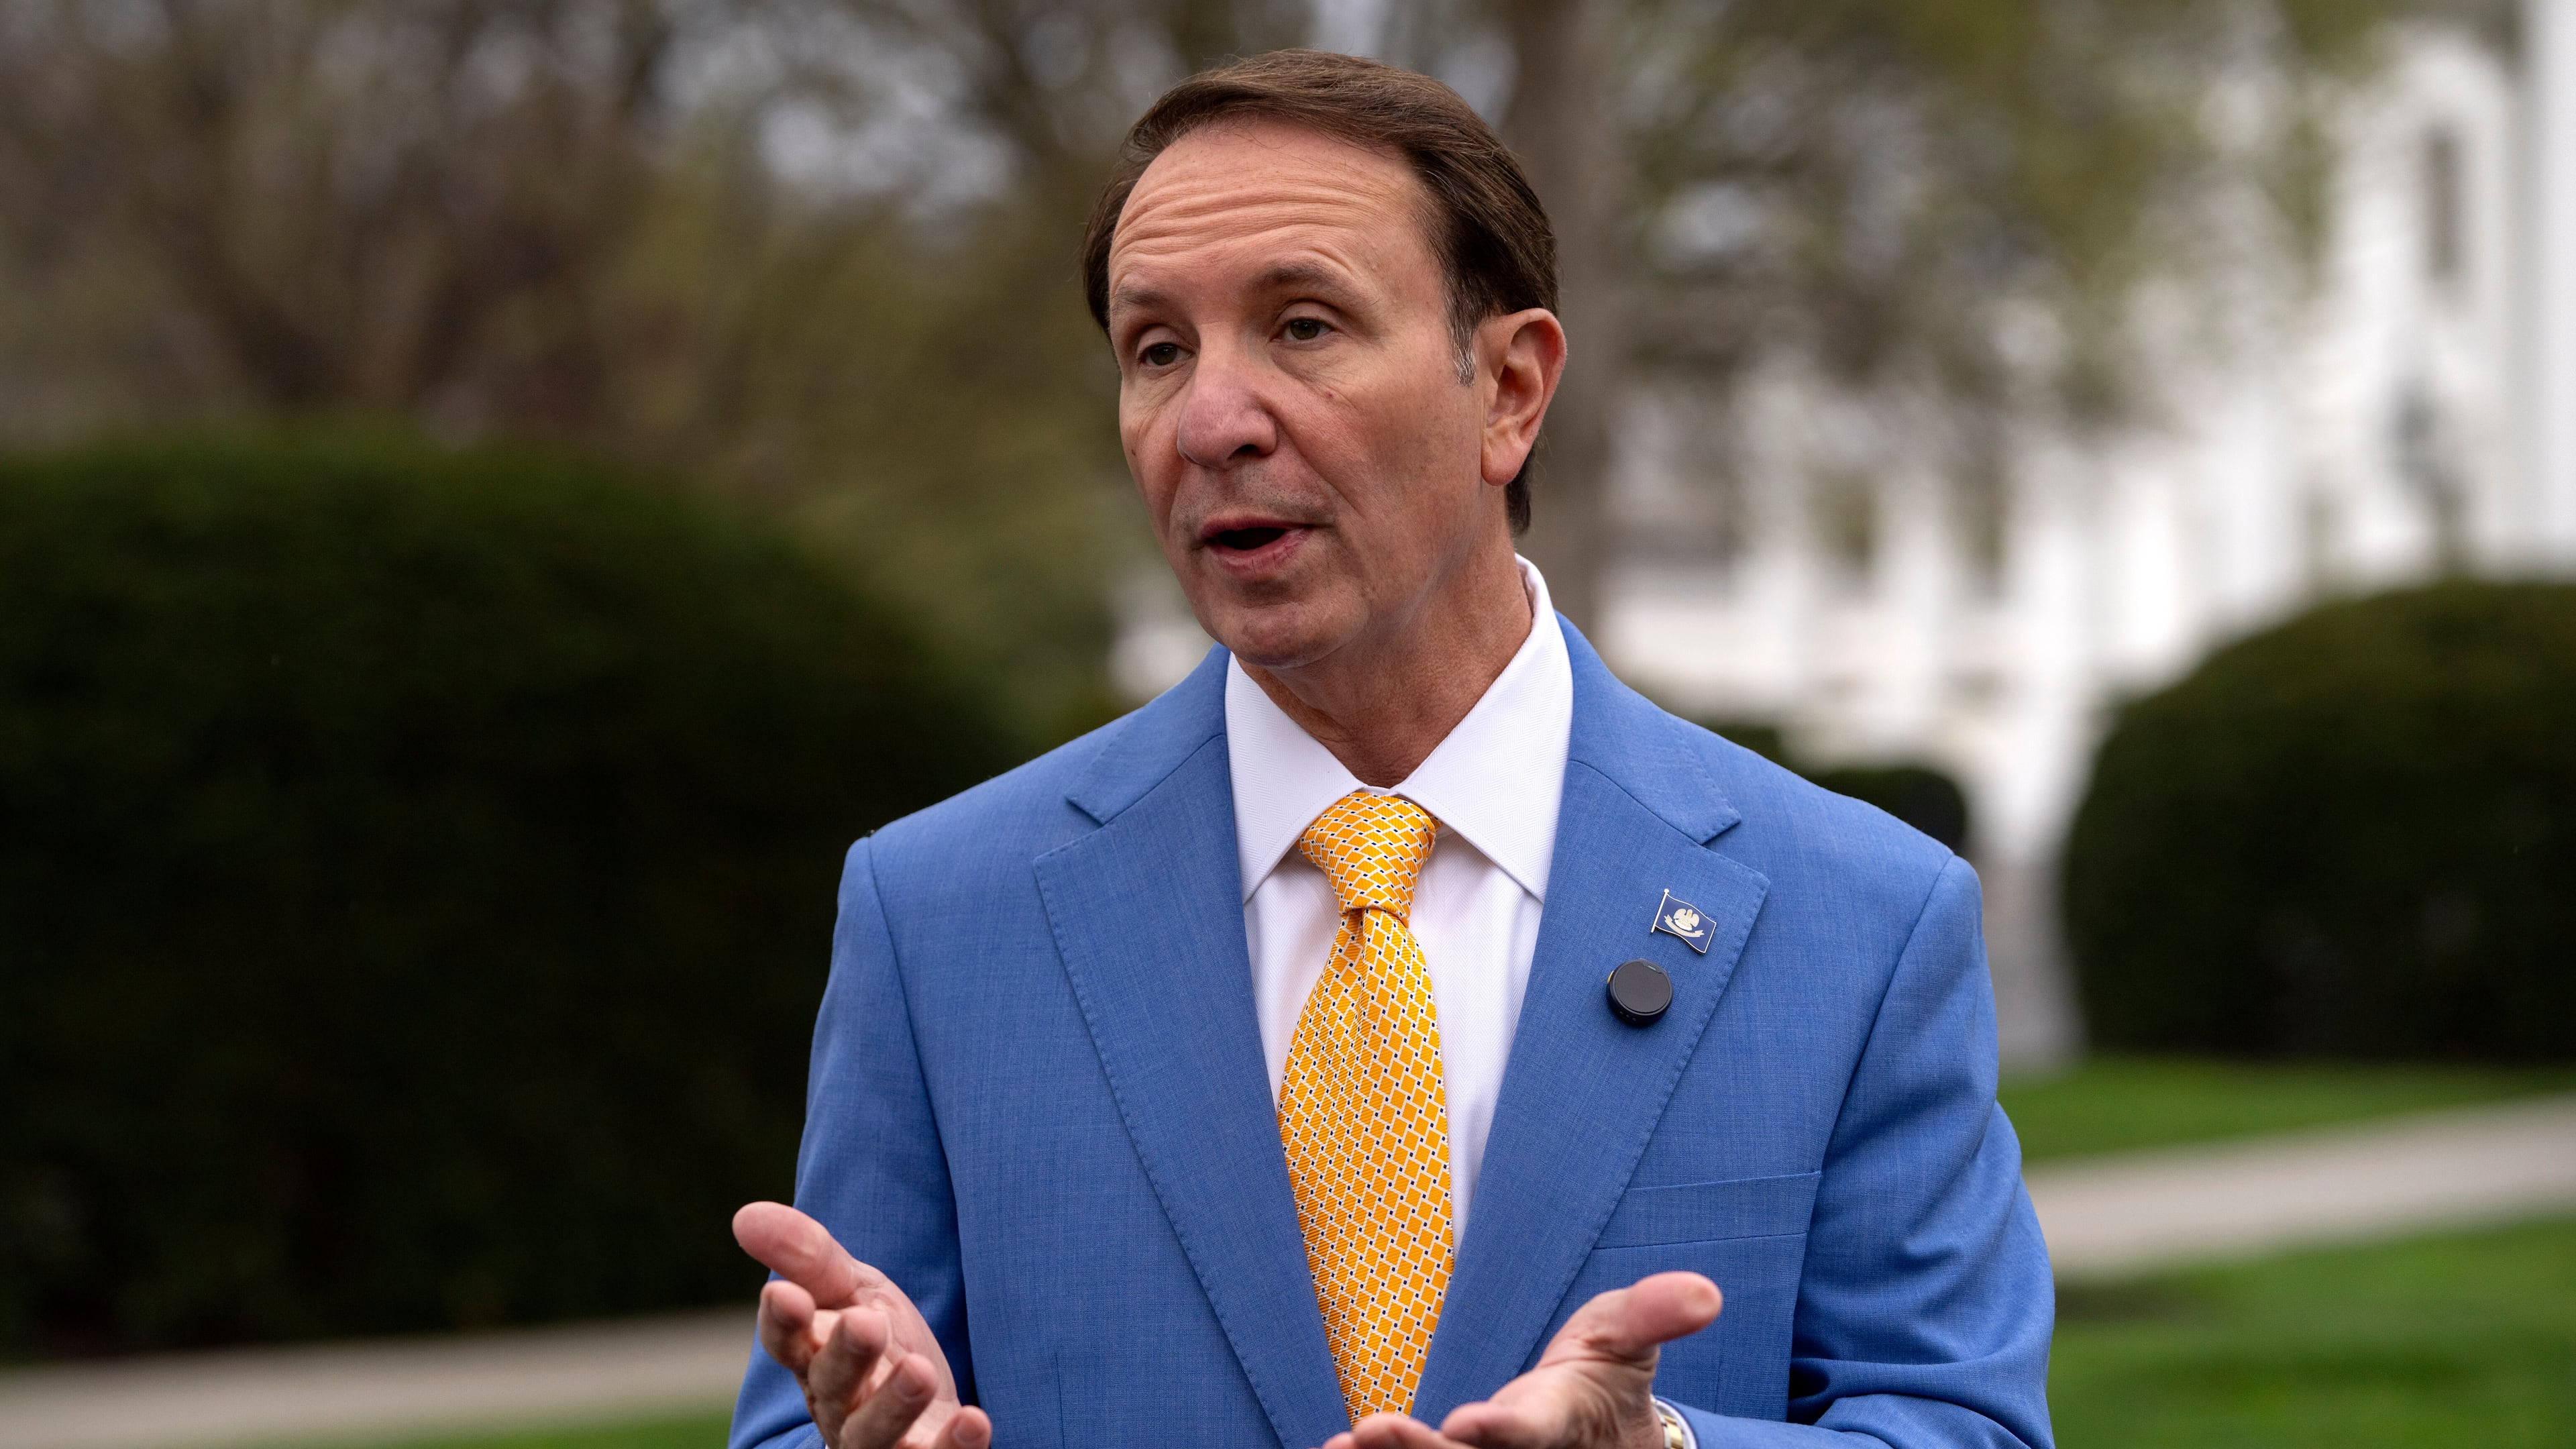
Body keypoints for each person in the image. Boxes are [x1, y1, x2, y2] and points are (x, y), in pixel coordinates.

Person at [727, 49, 2052, 1449]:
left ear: (1510, 391)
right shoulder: (940, 920)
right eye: (1157, 349)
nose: (1211, 421)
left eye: (1302, 326)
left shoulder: (1860, 918)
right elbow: (813, 1417)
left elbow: (1961, 1425)